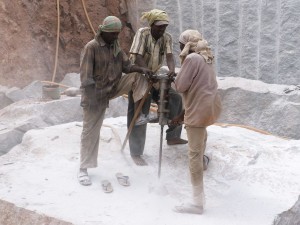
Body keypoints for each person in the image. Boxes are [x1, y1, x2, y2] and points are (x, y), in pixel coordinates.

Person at [78, 16, 153, 186]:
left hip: (113, 87)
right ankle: (84, 168)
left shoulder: (116, 48)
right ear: (103, 31)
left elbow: (127, 67)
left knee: (137, 77)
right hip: (95, 95)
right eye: (112, 34)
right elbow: (86, 79)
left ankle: (140, 113)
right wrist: (95, 99)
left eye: (117, 34)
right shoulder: (92, 47)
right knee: (90, 132)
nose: (115, 37)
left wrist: (142, 69)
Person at [127, 9, 188, 166]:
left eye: (164, 27)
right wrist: (145, 71)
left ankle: (173, 135)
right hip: (139, 74)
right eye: (159, 27)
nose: (162, 30)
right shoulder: (143, 33)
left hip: (154, 74)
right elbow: (137, 56)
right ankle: (136, 152)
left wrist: (172, 70)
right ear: (152, 24)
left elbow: (169, 56)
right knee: (141, 110)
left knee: (174, 98)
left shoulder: (166, 37)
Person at [171, 30, 222, 214]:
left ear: (185, 44)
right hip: (210, 105)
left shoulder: (192, 59)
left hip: (198, 109)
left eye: (179, 44)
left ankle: (197, 202)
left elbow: (180, 86)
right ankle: (204, 159)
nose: (178, 48)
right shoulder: (206, 55)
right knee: (201, 138)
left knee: (193, 155)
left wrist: (174, 78)